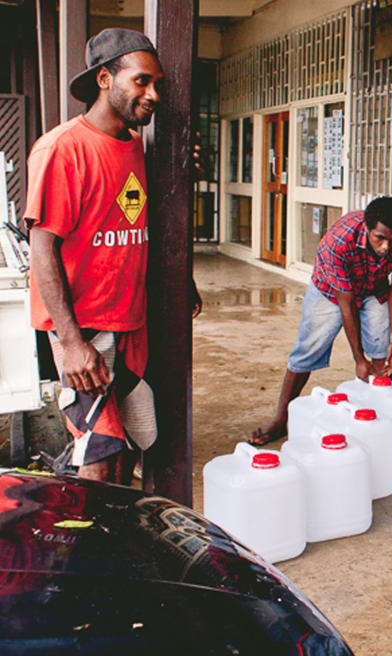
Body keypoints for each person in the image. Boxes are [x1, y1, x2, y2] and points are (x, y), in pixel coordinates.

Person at [26, 28, 176, 484]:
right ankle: (90, 532)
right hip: (84, 328)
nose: (153, 94)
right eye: (141, 81)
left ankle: (116, 524)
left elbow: (137, 227)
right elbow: (42, 248)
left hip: (130, 323)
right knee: (98, 449)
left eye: (157, 84)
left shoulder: (135, 147)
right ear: (105, 78)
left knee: (130, 440)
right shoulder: (62, 148)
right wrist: (72, 343)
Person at [250, 197, 392, 446]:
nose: (386, 247)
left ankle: (385, 424)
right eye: (379, 238)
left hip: (374, 288)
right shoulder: (340, 240)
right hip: (329, 292)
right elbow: (345, 302)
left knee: (383, 353)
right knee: (307, 351)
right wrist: (358, 359)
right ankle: (281, 419)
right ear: (367, 228)